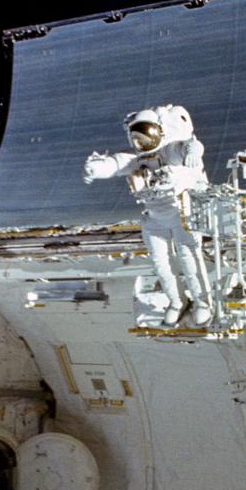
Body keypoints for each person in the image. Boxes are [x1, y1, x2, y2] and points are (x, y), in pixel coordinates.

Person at [83, 105, 212, 326]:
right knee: (160, 265)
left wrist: (192, 152)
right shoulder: (137, 159)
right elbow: (115, 163)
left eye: (146, 135)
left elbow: (190, 146)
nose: (141, 143)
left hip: (182, 214)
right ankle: (176, 302)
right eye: (137, 138)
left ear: (160, 131)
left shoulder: (170, 151)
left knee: (189, 259)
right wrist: (95, 168)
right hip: (154, 218)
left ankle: (202, 304)